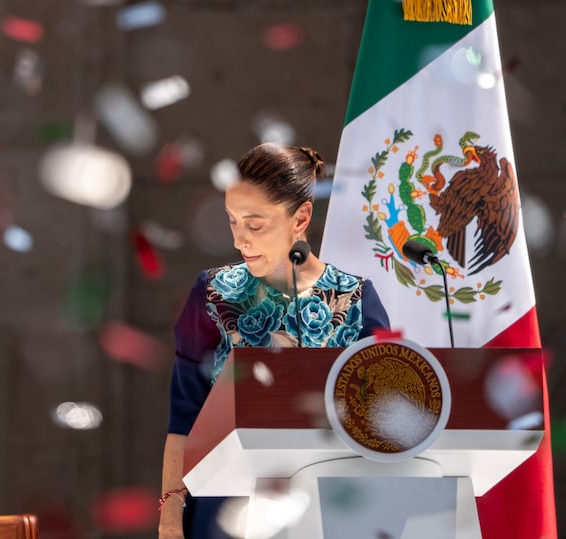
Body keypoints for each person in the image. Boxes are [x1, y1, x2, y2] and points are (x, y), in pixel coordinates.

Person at [158, 143, 391, 539]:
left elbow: (381, 428)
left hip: (325, 513)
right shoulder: (213, 293)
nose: (239, 240)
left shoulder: (355, 301)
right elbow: (184, 418)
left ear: (301, 217)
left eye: (255, 223)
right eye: (232, 221)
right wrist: (169, 520)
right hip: (222, 512)